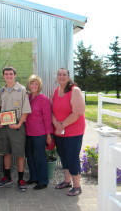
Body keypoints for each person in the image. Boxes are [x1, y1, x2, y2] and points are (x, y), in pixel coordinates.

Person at [0, 66, 31, 191]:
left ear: (15, 75)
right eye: (6, 74)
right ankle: (7, 177)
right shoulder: (2, 90)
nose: (8, 76)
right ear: (3, 76)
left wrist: (20, 124)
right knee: (6, 152)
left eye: (11, 74)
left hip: (16, 126)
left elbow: (25, 110)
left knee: (19, 153)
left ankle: (20, 179)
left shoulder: (21, 90)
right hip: (4, 127)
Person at [52, 68, 85, 196]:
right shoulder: (56, 91)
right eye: (59, 74)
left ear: (68, 76)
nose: (61, 76)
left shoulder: (74, 90)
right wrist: (56, 124)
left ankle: (77, 186)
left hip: (74, 131)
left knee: (72, 157)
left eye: (64, 74)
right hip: (59, 130)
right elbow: (51, 110)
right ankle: (67, 181)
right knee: (63, 155)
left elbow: (78, 112)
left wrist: (62, 125)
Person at [25, 75, 52, 190]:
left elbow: (47, 118)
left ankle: (43, 181)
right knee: (29, 156)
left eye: (36, 84)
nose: (34, 86)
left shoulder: (43, 99)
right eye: (32, 83)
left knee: (40, 156)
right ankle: (34, 177)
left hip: (40, 133)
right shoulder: (27, 97)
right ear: (29, 85)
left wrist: (48, 135)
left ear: (39, 85)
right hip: (28, 132)